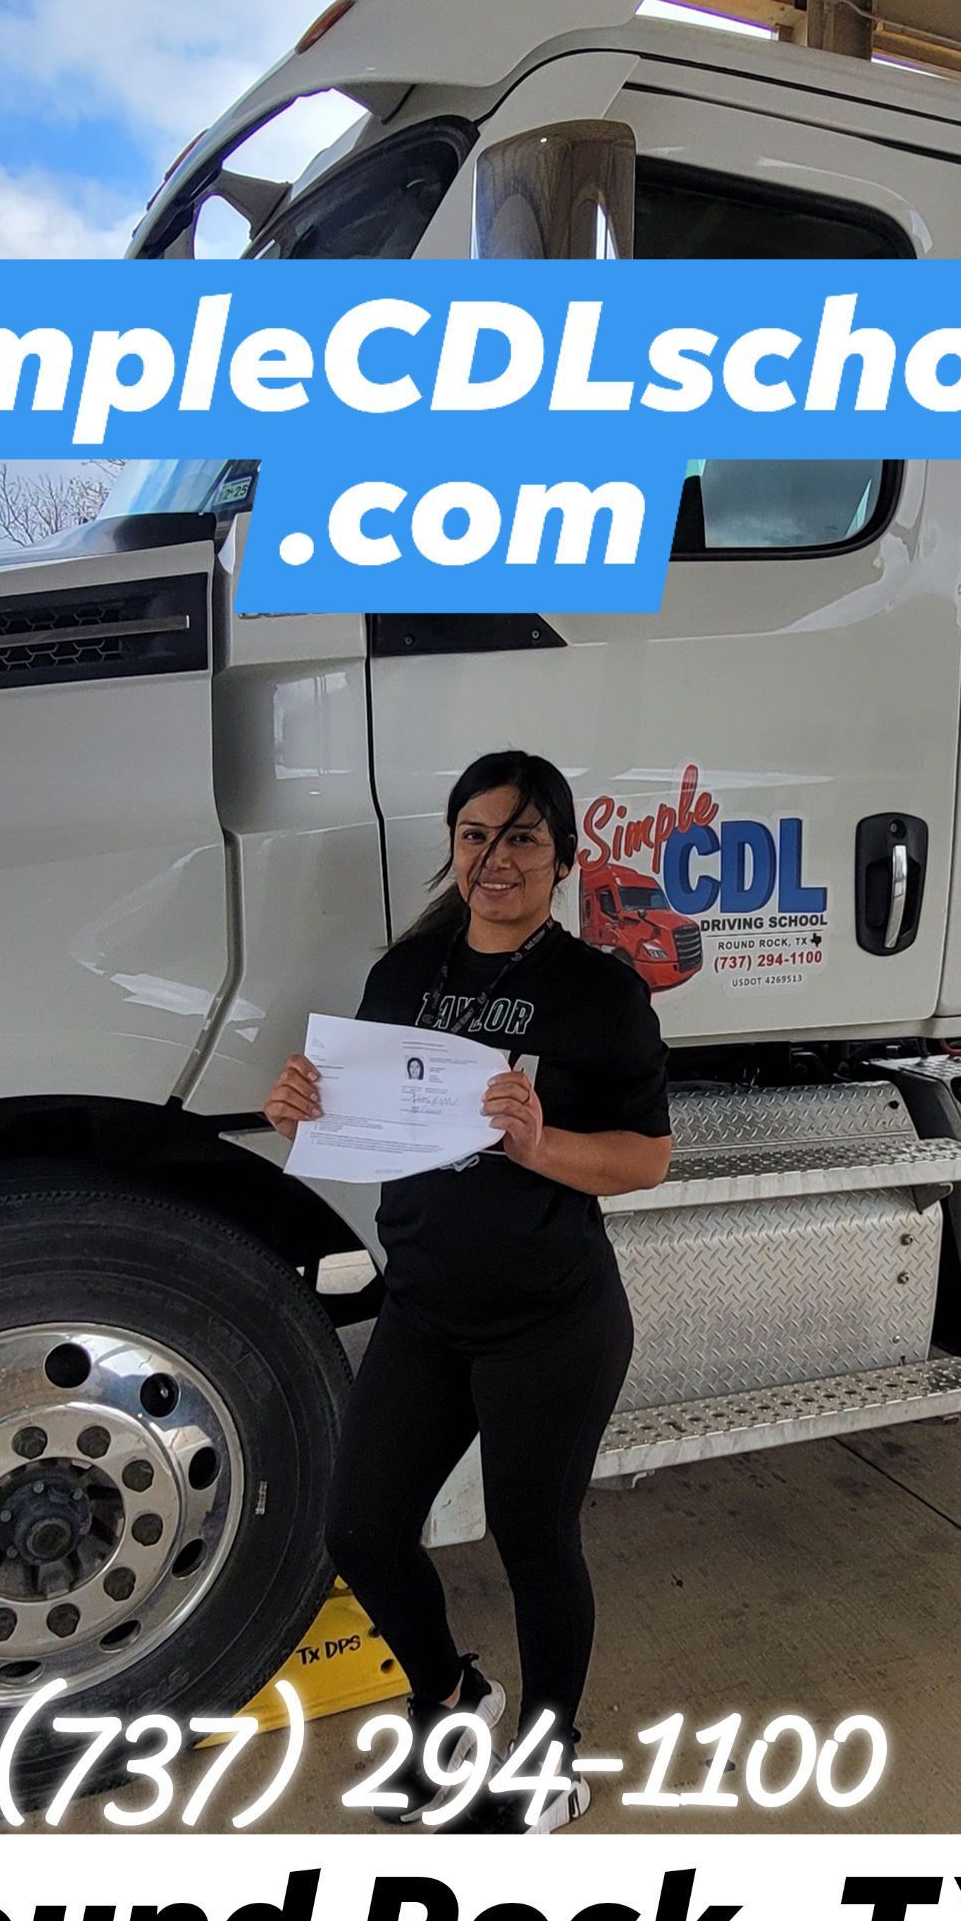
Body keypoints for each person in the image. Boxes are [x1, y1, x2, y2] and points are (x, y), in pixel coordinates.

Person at [263, 751, 671, 1833]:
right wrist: (304, 1113)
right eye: (475, 835)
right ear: (452, 849)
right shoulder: (404, 974)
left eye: (522, 837)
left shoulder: (597, 992)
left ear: (562, 857)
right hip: (426, 1306)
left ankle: (550, 1760)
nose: (495, 859)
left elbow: (644, 1159)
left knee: (531, 1538)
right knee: (360, 1526)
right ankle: (452, 1699)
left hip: (551, 1316)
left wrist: (538, 1146)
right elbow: (363, 1127)